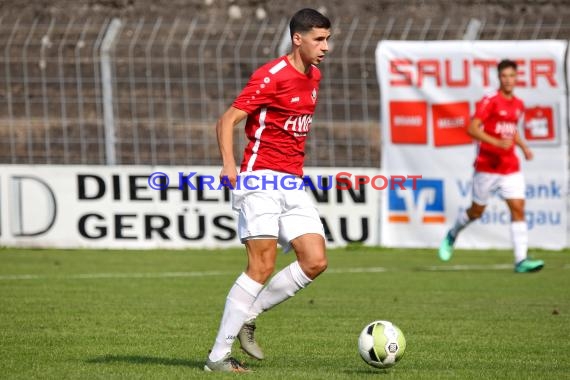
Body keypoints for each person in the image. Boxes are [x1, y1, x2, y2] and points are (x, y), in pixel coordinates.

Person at [204, 8, 331, 372]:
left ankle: (249, 314)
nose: (325, 47)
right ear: (297, 39)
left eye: (327, 39)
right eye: (319, 39)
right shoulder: (271, 76)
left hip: (292, 182)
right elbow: (227, 120)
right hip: (259, 179)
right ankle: (217, 357)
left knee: (315, 260)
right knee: (261, 265)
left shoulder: (314, 76)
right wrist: (229, 164)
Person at [438, 59, 544, 273]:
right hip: (487, 167)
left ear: (516, 78)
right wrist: (495, 142)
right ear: (499, 78)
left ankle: (521, 260)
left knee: (518, 208)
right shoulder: (490, 101)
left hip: (510, 167)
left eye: (512, 76)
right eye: (504, 76)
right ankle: (453, 233)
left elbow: (511, 130)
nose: (508, 80)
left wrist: (523, 147)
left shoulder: (518, 104)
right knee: (477, 212)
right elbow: (472, 129)